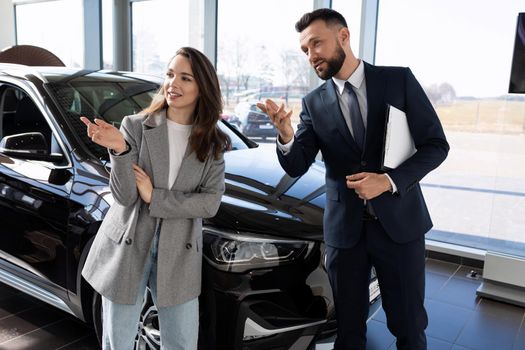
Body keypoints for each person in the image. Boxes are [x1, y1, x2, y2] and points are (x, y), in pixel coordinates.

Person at [257, 9, 449, 350]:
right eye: (305, 49)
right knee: (348, 330)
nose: (311, 55)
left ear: (343, 36)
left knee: (408, 326)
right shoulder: (313, 103)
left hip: (399, 228)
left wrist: (387, 181)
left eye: (317, 43)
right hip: (345, 236)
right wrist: (286, 135)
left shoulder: (398, 80)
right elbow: (297, 164)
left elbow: (436, 146)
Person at [80, 46, 231, 350]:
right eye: (170, 74)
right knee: (117, 342)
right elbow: (124, 198)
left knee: (182, 342)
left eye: (185, 78)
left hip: (179, 250)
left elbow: (209, 203)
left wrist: (154, 196)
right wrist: (120, 151)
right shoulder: (134, 126)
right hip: (129, 245)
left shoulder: (213, 143)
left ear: (203, 87)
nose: (173, 84)